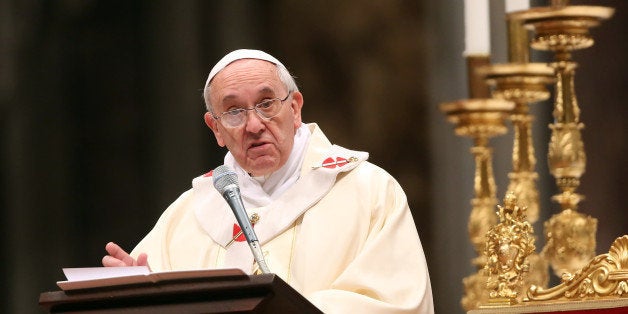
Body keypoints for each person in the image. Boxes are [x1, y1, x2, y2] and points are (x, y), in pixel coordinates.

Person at [102, 49, 434, 313]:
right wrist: (136, 291)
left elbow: (397, 302)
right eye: (233, 111)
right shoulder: (189, 213)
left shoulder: (369, 191)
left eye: (266, 104)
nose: (254, 124)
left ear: (295, 108)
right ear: (215, 128)